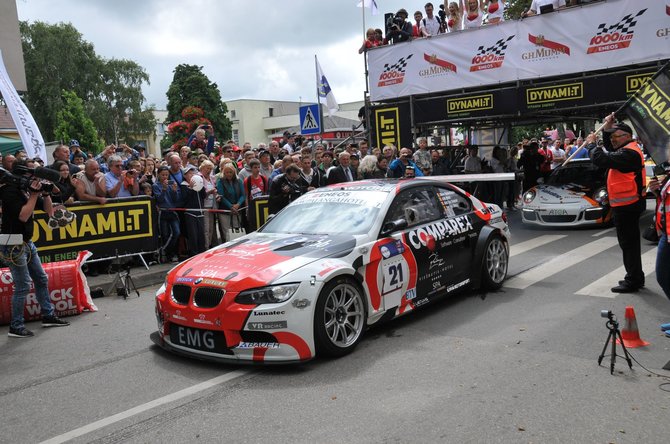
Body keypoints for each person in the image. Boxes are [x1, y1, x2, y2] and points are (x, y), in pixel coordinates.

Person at [1, 159, 70, 337]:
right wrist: (33, 194)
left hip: (25, 240)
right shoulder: (8, 190)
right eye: (32, 173)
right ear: (24, 173)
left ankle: (48, 315)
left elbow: (49, 211)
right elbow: (23, 216)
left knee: (41, 278)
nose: (36, 177)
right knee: (23, 284)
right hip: (11, 241)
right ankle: (15, 326)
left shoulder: (26, 189)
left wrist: (45, 192)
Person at [586, 118, 646, 293]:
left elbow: (601, 159)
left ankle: (633, 280)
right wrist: (606, 130)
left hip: (628, 205)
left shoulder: (629, 153)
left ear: (627, 136)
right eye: (612, 137)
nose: (613, 140)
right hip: (627, 204)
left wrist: (591, 145)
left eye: (616, 137)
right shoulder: (626, 149)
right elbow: (610, 150)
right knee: (630, 244)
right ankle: (635, 277)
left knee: (629, 245)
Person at [153, 166, 181, 262]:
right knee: (165, 234)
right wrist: (164, 189)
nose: (165, 177)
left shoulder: (171, 184)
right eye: (163, 175)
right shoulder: (156, 186)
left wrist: (174, 191)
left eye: (166, 175)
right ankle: (168, 254)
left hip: (172, 211)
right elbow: (159, 200)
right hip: (163, 212)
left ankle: (165, 250)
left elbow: (176, 199)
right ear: (159, 175)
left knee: (176, 232)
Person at [180, 164, 207, 257]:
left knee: (201, 235)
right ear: (185, 176)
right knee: (193, 236)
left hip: (200, 213)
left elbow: (204, 196)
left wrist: (202, 185)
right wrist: (191, 189)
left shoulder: (198, 183)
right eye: (189, 173)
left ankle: (202, 253)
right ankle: (194, 255)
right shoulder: (183, 186)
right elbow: (184, 199)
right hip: (190, 214)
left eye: (193, 173)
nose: (192, 175)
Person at [217, 164, 246, 242]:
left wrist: (238, 205)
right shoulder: (220, 181)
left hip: (237, 209)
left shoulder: (239, 180)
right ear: (224, 173)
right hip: (225, 211)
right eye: (227, 172)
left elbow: (243, 195)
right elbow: (221, 196)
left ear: (234, 172)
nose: (229, 174)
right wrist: (230, 206)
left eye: (231, 172)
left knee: (237, 229)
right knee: (227, 232)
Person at [199, 160, 219, 249]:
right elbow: (201, 194)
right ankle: (206, 247)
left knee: (211, 229)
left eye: (211, 169)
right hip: (204, 207)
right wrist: (209, 192)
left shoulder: (212, 178)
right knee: (206, 229)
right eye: (207, 168)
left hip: (212, 205)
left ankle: (209, 245)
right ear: (202, 168)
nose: (209, 170)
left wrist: (217, 195)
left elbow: (215, 189)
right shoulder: (199, 177)